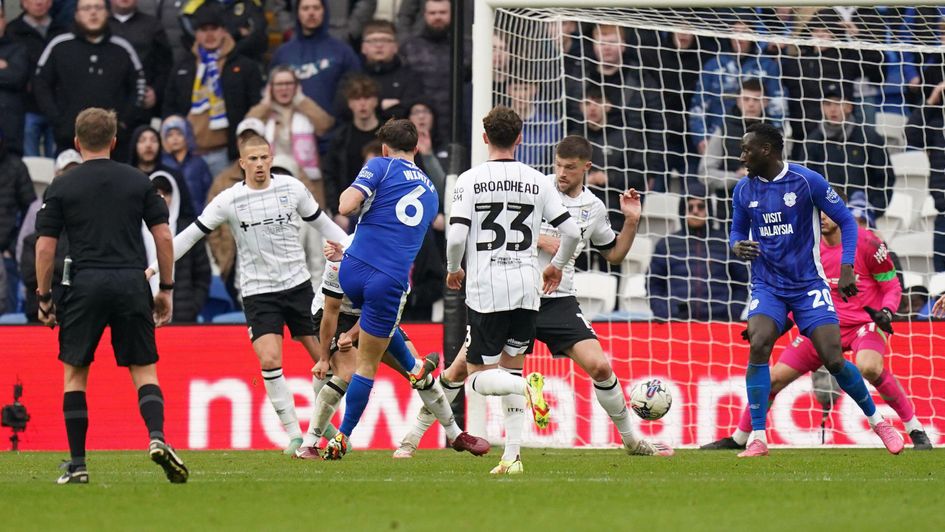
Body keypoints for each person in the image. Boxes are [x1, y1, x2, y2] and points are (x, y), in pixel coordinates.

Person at [395, 136, 673, 460]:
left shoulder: (593, 208)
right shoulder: (535, 186)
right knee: (459, 371)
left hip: (558, 299)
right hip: (517, 293)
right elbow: (499, 225)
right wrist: (540, 237)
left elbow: (613, 254)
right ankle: (411, 439)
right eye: (558, 165)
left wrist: (632, 221)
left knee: (599, 366)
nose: (561, 173)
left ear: (587, 168)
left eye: (569, 168)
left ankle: (632, 442)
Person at [146, 133, 347, 455]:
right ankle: (296, 435)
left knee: (321, 358)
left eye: (264, 158)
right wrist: (155, 267)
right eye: (252, 159)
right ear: (241, 164)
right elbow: (190, 236)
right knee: (269, 358)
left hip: (297, 285)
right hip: (258, 291)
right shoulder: (229, 200)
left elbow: (326, 226)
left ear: (271, 159)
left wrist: (354, 249)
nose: (259, 164)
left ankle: (324, 428)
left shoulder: (292, 189)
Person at [729, 122, 903, 457]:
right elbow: (736, 233)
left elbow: (849, 222)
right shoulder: (742, 190)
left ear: (766, 150)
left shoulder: (807, 181)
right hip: (768, 286)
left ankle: (879, 421)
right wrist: (738, 246)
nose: (742, 155)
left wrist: (848, 267)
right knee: (759, 343)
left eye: (747, 149)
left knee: (833, 358)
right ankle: (758, 438)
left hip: (808, 285)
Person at [34, 107, 187, 484]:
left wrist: (44, 298)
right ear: (115, 141)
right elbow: (164, 237)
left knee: (75, 375)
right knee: (144, 370)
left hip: (83, 284)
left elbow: (44, 248)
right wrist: (165, 288)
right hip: (131, 281)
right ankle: (156, 437)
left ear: (77, 141)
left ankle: (78, 464)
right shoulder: (138, 180)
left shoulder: (62, 186)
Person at [704, 201, 933, 451]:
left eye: (826, 213)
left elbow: (891, 284)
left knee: (869, 366)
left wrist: (887, 311)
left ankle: (915, 429)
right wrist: (776, 324)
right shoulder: (806, 247)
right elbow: (798, 294)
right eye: (817, 214)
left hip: (863, 325)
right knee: (773, 378)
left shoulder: (867, 243)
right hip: (822, 325)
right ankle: (739, 438)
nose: (821, 218)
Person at [443, 107, 582, 475]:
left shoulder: (470, 180)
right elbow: (571, 233)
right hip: (527, 287)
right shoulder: (537, 180)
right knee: (512, 369)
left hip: (487, 288)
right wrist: (556, 265)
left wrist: (453, 269)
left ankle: (525, 391)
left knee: (476, 377)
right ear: (519, 139)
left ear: (485, 137)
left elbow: (456, 235)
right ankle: (513, 455)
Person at [295, 235, 488, 459]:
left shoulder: (397, 268)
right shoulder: (341, 258)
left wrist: (352, 334)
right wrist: (324, 357)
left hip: (375, 315)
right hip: (337, 315)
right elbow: (330, 311)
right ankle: (309, 443)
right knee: (347, 372)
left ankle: (454, 435)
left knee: (418, 371)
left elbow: (379, 313)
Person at [320, 118, 440, 461]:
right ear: (416, 148)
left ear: (385, 148)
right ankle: (342, 436)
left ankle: (415, 368)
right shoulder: (432, 190)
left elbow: (344, 206)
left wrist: (362, 182)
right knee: (368, 364)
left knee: (381, 328)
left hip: (352, 269)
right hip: (388, 280)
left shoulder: (378, 166)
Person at [33, 0, 146, 161]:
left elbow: (139, 86)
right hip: (69, 141)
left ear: (107, 12)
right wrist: (59, 121)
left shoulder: (122, 48)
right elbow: (40, 84)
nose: (93, 13)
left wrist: (123, 123)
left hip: (114, 144)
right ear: (76, 14)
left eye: (98, 8)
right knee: (70, 186)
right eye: (86, 8)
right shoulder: (60, 46)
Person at [161, 1, 263, 176]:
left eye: (214, 28)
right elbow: (169, 109)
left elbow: (255, 107)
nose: (209, 34)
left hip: (228, 154)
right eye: (203, 29)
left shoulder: (245, 66)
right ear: (196, 33)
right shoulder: (182, 67)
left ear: (224, 30)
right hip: (188, 155)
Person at [648, 191, 749, 321]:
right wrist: (663, 312)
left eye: (700, 206)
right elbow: (653, 283)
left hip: (719, 322)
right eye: (690, 207)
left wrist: (732, 312)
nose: (695, 211)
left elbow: (741, 283)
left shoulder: (726, 243)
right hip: (676, 323)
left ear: (708, 210)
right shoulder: (666, 244)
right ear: (683, 211)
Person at [802, 82, 894, 223]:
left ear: (849, 106)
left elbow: (885, 178)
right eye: (827, 104)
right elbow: (805, 182)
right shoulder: (812, 141)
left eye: (838, 103)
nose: (833, 109)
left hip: (862, 218)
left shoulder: (870, 138)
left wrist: (871, 210)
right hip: (825, 217)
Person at [245, 65, 333, 206]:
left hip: (306, 179)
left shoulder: (305, 109)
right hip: (273, 178)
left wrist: (302, 101)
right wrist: (265, 104)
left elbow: (325, 124)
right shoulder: (265, 113)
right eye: (279, 84)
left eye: (288, 83)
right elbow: (247, 129)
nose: (284, 88)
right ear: (270, 88)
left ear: (296, 87)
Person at [269, 0, 361, 122]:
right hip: (290, 132)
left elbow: (357, 89)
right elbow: (270, 93)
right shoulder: (283, 53)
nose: (311, 13)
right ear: (297, 13)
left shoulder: (342, 51)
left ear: (325, 11)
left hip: (333, 131)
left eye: (316, 8)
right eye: (305, 8)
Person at [142, 173, 210, 322]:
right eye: (156, 193)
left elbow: (203, 274)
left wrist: (192, 306)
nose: (162, 198)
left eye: (166, 193)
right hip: (142, 312)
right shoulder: (135, 230)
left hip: (181, 314)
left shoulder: (187, 230)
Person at [6, 0, 68, 156]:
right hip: (27, 106)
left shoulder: (63, 30)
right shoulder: (12, 31)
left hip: (57, 106)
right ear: (23, 3)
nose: (39, 2)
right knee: (30, 163)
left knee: (57, 163)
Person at [321, 74, 382, 231]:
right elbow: (329, 175)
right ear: (349, 103)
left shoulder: (389, 136)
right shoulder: (340, 138)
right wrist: (336, 211)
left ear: (375, 101)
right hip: (350, 212)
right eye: (356, 98)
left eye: (367, 97)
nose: (362, 104)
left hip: (385, 208)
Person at [107, 0, 172, 120]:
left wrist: (156, 92)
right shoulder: (100, 25)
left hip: (141, 105)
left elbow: (165, 66)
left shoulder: (152, 25)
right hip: (105, 103)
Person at [360, 19, 423, 121]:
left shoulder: (410, 77)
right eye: (373, 40)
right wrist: (381, 105)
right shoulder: (354, 77)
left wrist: (370, 108)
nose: (379, 45)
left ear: (395, 47)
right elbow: (344, 109)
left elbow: (410, 110)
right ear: (363, 47)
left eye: (385, 40)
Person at [159, 116, 213, 214]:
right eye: (170, 135)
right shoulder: (161, 163)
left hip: (197, 216)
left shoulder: (199, 163)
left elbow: (209, 191)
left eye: (179, 134)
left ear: (187, 136)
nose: (175, 138)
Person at [0, 5, 30, 157]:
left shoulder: (18, 48)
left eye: (0, 17)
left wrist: (8, 71)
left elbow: (16, 77)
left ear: (4, 21)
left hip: (10, 130)